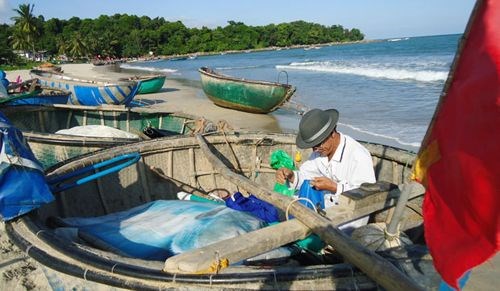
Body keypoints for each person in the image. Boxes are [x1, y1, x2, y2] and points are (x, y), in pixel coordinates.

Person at [276, 108, 376, 230]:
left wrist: (335, 187)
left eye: (318, 145)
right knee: (288, 207)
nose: (315, 150)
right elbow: (306, 175)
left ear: (333, 133)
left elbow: (367, 194)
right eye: (312, 146)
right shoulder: (319, 151)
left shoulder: (358, 155)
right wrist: (292, 176)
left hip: (349, 215)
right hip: (325, 204)